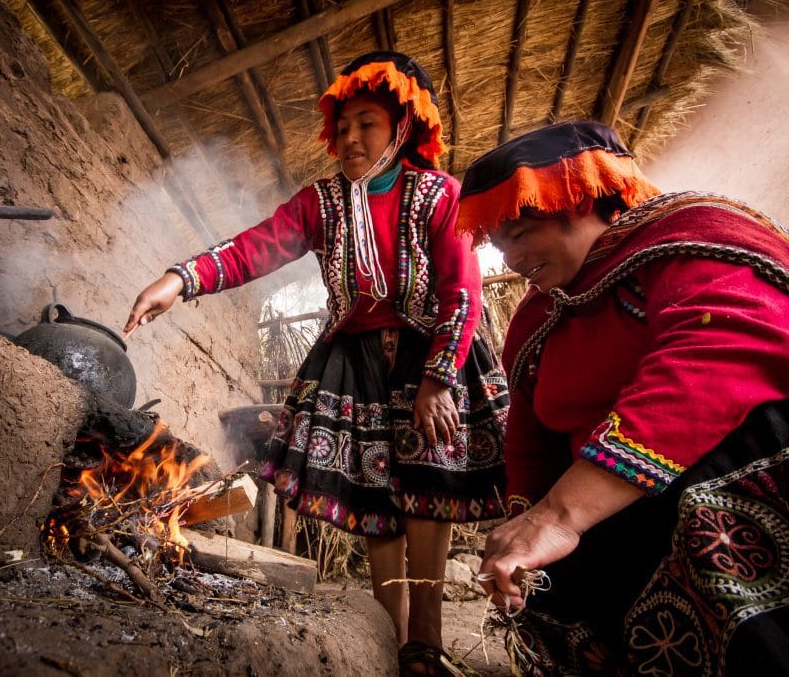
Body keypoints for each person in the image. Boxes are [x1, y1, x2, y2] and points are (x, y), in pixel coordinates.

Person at [126, 52, 508, 674]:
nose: (350, 139)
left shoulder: (439, 194)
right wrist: (181, 278)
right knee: (375, 492)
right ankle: (392, 632)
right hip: (353, 359)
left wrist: (439, 379)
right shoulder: (321, 203)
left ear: (403, 128)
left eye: (369, 124)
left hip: (429, 354)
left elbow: (462, 290)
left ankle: (427, 642)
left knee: (426, 490)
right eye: (344, 126)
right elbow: (254, 248)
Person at [456, 121, 789, 675]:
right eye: (497, 244)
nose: (510, 260)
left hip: (718, 490)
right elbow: (530, 444)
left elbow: (711, 359)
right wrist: (524, 529)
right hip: (613, 519)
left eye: (522, 232)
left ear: (579, 196)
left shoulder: (692, 237)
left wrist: (562, 514)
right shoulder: (538, 320)